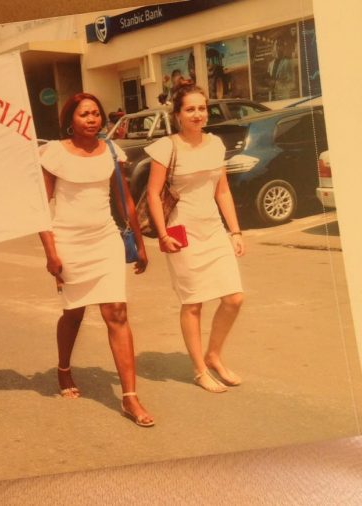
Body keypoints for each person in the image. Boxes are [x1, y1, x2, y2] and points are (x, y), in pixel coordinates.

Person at [38, 93, 153, 427]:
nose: (91, 119)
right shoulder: (53, 153)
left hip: (105, 240)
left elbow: (125, 200)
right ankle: (63, 369)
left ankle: (130, 397)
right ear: (70, 120)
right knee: (73, 314)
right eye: (84, 114)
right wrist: (51, 253)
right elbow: (41, 207)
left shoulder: (112, 151)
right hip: (69, 242)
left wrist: (140, 242)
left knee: (117, 312)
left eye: (95, 114)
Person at [145, 83, 245, 393]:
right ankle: (200, 370)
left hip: (213, 231)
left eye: (202, 108)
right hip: (181, 232)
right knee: (193, 303)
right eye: (190, 109)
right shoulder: (166, 147)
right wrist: (162, 234)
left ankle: (213, 355)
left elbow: (222, 191)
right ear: (177, 114)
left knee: (234, 298)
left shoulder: (215, 144)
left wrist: (235, 231)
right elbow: (153, 193)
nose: (197, 114)